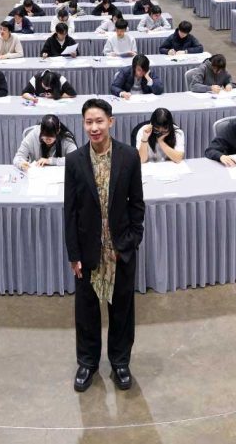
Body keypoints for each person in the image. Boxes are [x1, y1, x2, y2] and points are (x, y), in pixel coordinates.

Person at [64, 98, 144, 393]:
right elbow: (70, 210)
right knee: (86, 310)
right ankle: (87, 362)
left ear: (111, 121)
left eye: (99, 121)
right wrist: (74, 254)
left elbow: (137, 203)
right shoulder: (74, 160)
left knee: (122, 308)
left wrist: (132, 240)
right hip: (88, 250)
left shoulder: (129, 156)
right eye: (89, 122)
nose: (94, 127)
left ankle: (120, 362)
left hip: (119, 249)